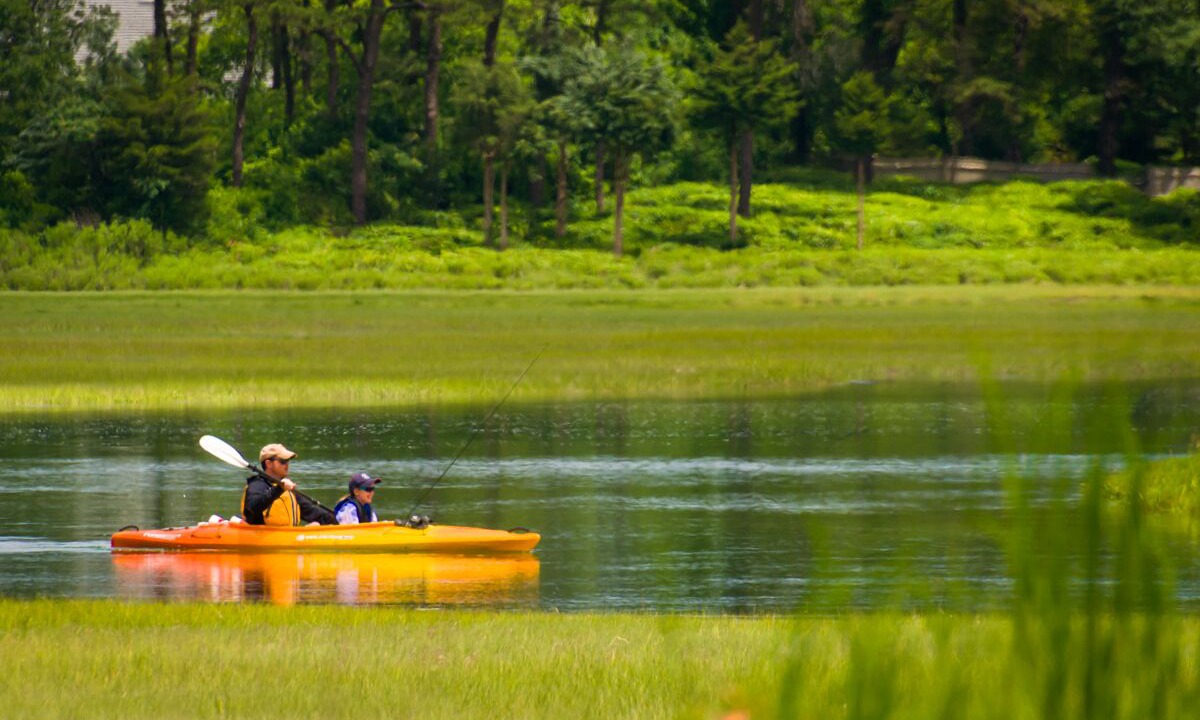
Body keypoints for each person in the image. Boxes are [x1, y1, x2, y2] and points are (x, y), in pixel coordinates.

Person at [241, 443, 336, 526]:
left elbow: (312, 512)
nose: (287, 465)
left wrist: (339, 520)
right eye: (283, 461)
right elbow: (253, 507)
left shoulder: (287, 490)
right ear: (268, 463)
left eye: (287, 461)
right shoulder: (257, 485)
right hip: (261, 537)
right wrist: (279, 488)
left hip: (286, 536)